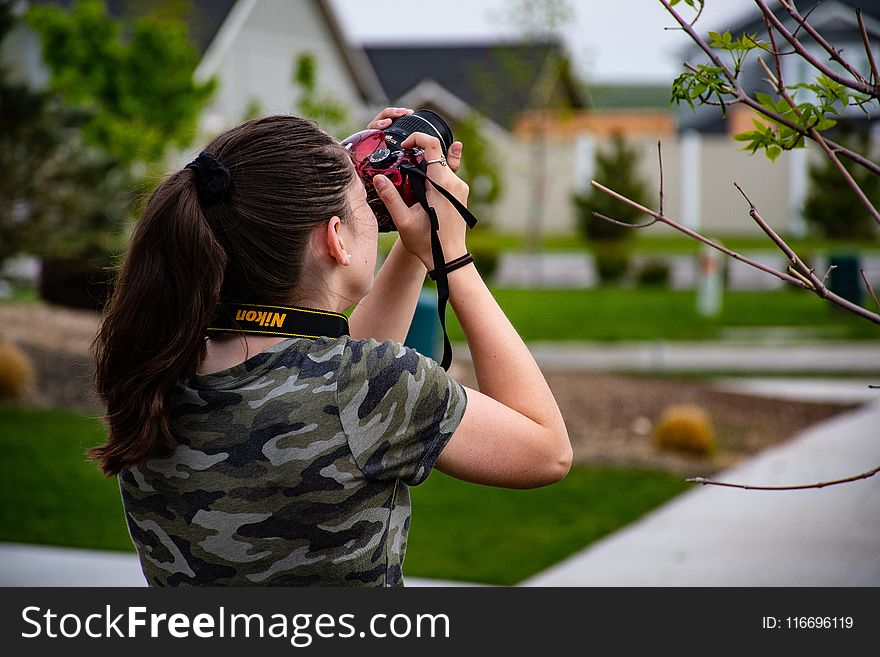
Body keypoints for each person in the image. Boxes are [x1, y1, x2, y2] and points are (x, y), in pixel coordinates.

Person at [90, 108, 571, 586]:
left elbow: (328, 374)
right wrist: (454, 258)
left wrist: (415, 244)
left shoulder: (154, 370)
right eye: (365, 200)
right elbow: (547, 451)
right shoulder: (373, 386)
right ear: (335, 239)